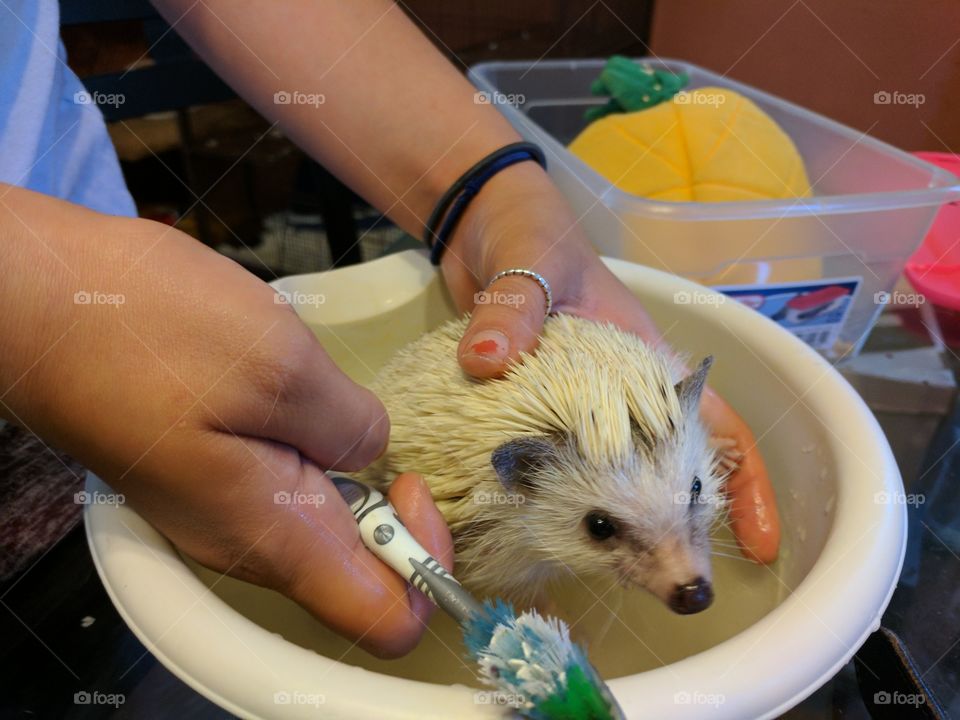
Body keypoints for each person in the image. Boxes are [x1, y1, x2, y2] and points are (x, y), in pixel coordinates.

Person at [0, 0, 779, 658]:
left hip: (121, 311)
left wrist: (490, 195)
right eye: (603, 527)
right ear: (520, 478)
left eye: (693, 492)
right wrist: (35, 305)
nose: (689, 578)